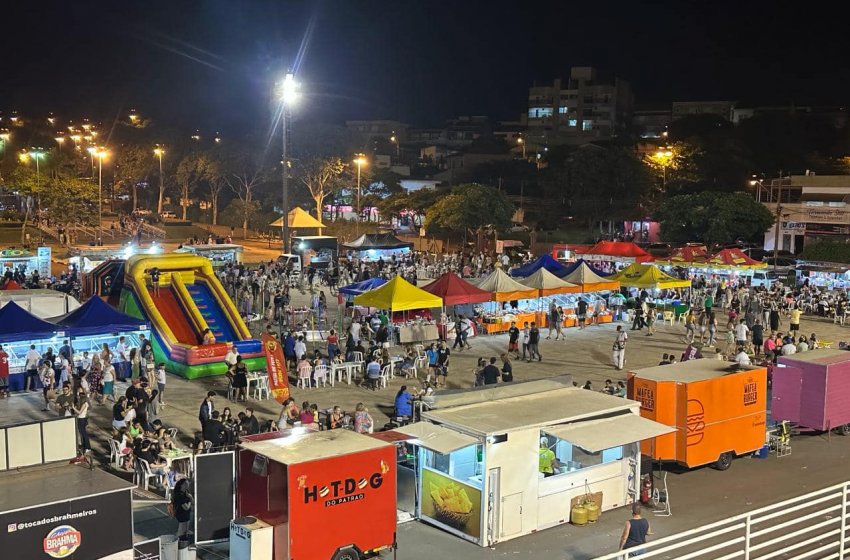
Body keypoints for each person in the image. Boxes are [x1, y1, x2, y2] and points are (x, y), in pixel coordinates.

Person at [172, 478, 193, 542]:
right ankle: (175, 542)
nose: (188, 484)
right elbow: (186, 507)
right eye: (186, 483)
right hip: (181, 514)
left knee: (185, 530)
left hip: (186, 514)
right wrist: (189, 499)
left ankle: (184, 540)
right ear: (181, 485)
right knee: (181, 530)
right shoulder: (179, 495)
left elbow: (194, 502)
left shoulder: (186, 492)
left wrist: (191, 497)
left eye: (188, 483)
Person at [72, 388, 91, 454]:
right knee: (82, 433)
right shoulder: (82, 403)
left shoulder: (84, 403)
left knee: (84, 434)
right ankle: (84, 446)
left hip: (82, 419)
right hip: (80, 419)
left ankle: (88, 447)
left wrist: (74, 408)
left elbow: (79, 412)